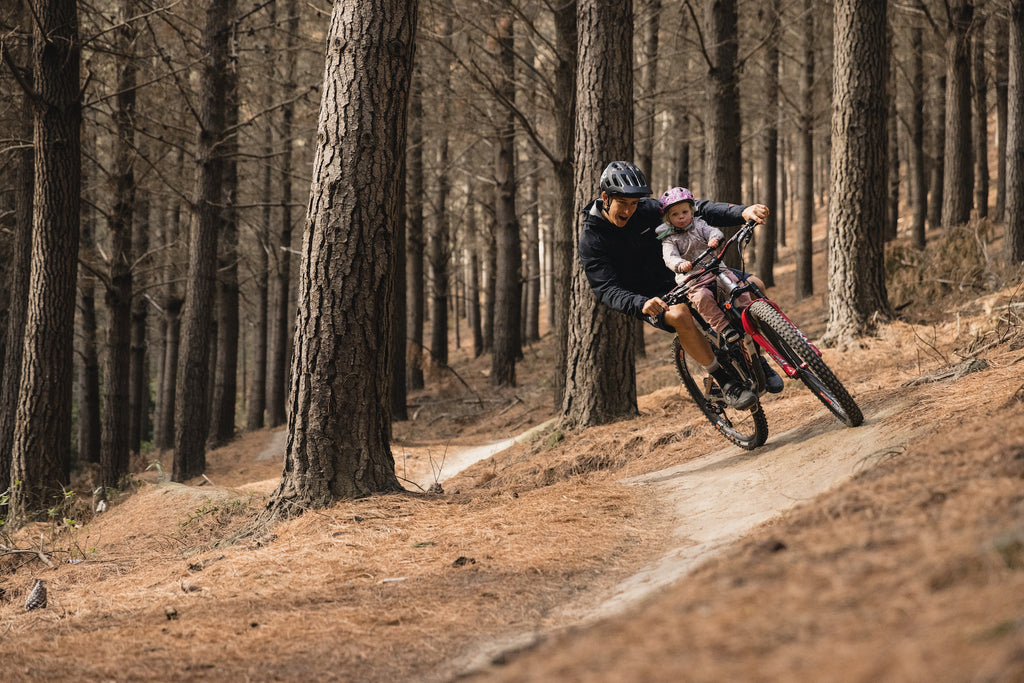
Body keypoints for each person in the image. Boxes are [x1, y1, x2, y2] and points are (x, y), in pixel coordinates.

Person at [578, 161, 782, 409]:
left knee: (753, 284)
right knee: (681, 315)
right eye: (623, 204)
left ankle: (756, 360)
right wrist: (641, 303)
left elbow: (697, 212)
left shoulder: (646, 209)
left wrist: (741, 212)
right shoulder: (592, 238)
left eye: (634, 204)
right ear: (605, 198)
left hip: (688, 275)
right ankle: (725, 383)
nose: (629, 211)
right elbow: (605, 289)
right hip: (650, 295)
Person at [656, 186, 754, 345]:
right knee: (702, 298)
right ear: (667, 218)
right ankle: (723, 327)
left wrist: (714, 239)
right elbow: (669, 257)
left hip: (715, 268)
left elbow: (713, 232)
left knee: (735, 282)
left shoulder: (699, 225)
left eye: (684, 212)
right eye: (675, 214)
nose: (681, 217)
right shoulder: (669, 238)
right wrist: (680, 264)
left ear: (692, 211)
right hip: (693, 279)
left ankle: (748, 310)